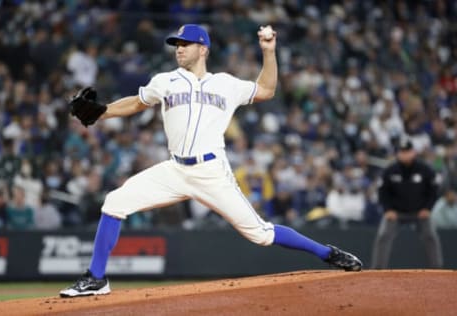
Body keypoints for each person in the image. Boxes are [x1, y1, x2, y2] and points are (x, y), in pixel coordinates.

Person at [60, 24, 362, 298]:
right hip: (175, 169)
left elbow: (267, 90)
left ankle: (326, 253)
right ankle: (96, 278)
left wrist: (268, 52)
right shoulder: (165, 80)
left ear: (203, 48)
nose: (179, 48)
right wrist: (102, 111)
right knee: (114, 202)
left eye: (186, 43)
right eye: (177, 43)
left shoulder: (226, 84)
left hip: (211, 171)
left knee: (261, 234)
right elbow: (137, 103)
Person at [371, 137, 443, 269]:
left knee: (430, 236)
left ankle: (437, 269)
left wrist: (428, 208)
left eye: (407, 151)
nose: (404, 154)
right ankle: (378, 269)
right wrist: (387, 210)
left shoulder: (425, 169)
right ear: (398, 153)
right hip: (396, 212)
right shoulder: (390, 170)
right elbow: (382, 192)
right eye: (401, 151)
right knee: (383, 235)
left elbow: (434, 190)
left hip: (420, 211)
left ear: (413, 152)